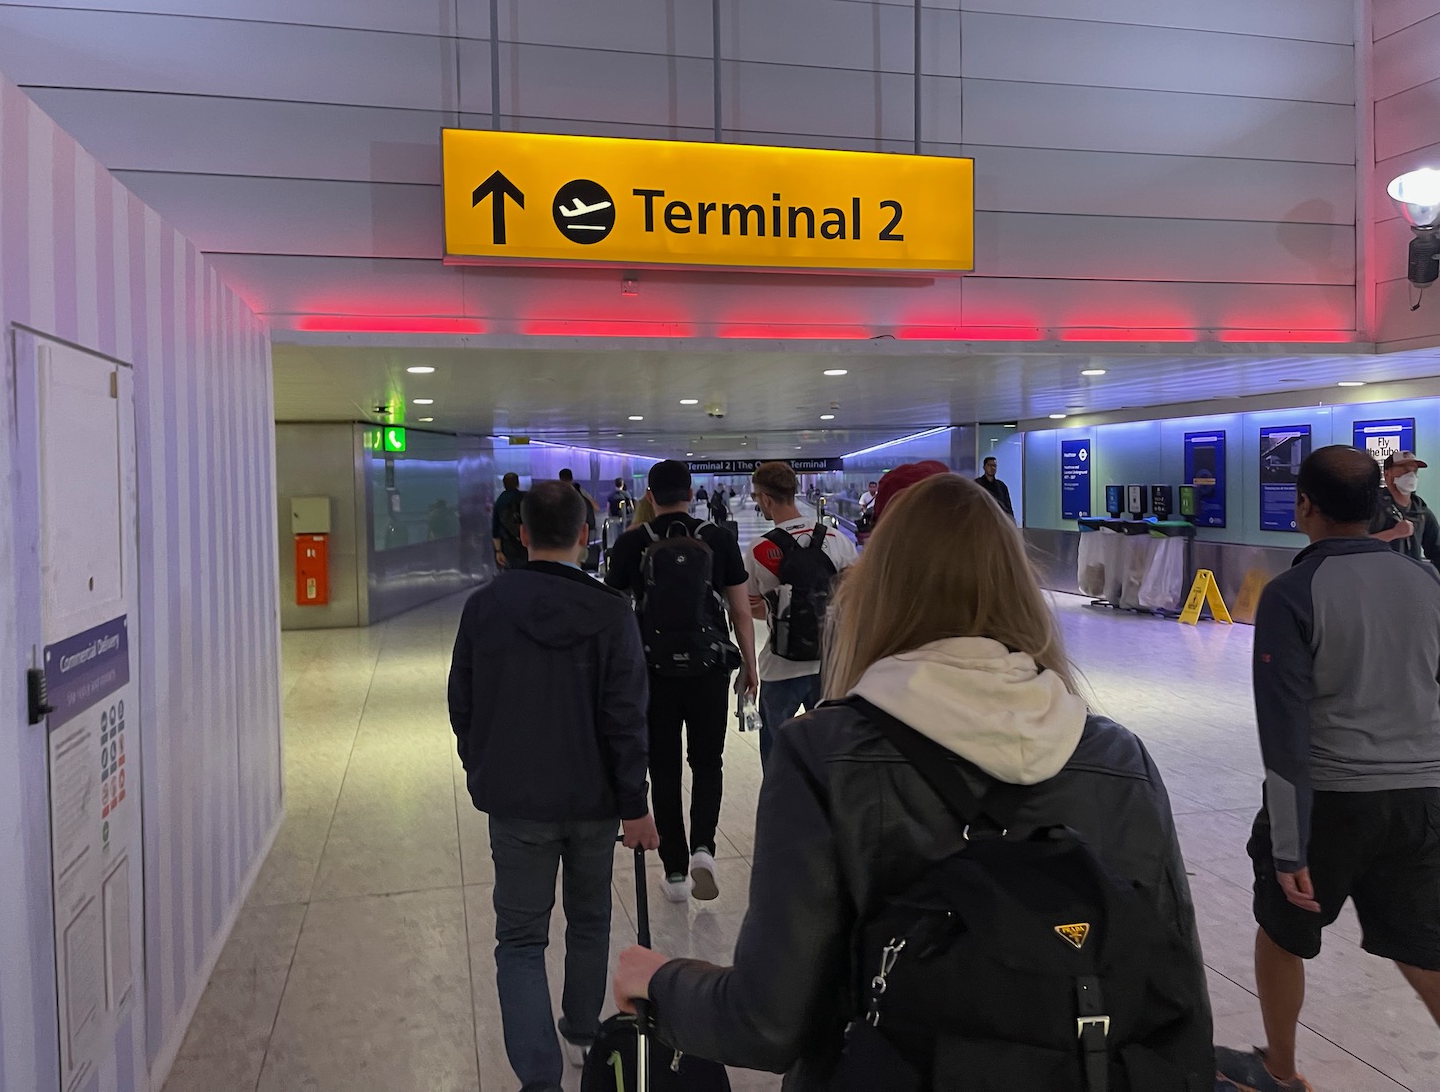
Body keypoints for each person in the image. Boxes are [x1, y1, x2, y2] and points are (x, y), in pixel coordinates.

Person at [612, 473, 1212, 1089]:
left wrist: (661, 981)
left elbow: (769, 1021)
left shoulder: (823, 755)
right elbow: (1179, 1006)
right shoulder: (1118, 760)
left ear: (879, 588)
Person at [1216, 446, 1440, 1092]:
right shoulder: (1427, 582)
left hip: (1332, 802)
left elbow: (1284, 730)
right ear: (1377, 503)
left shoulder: (1293, 592)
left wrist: (1289, 847)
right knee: (1423, 946)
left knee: (1283, 932)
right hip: (1420, 799)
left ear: (1305, 505)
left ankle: (1280, 1071)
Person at [449, 481, 659, 1092]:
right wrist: (635, 806)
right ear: (586, 535)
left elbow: (461, 703)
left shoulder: (484, 608)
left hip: (515, 803)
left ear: (521, 534)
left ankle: (539, 1080)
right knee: (590, 920)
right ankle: (582, 1035)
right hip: (594, 803)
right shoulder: (613, 612)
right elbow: (626, 716)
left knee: (518, 939)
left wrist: (483, 764)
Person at [606, 460, 758, 903]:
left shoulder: (632, 542)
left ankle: (674, 873)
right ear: (692, 494)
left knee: (665, 768)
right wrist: (749, 664)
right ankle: (704, 851)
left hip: (652, 674)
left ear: (650, 497)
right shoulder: (718, 539)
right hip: (709, 670)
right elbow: (741, 611)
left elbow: (616, 617)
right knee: (708, 762)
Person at [745, 460, 858, 763]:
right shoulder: (838, 540)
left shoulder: (759, 549)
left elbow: (752, 607)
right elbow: (855, 599)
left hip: (780, 665)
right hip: (829, 662)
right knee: (831, 750)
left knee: (776, 752)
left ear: (766, 499)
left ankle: (780, 808)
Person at [1370, 449, 1440, 571]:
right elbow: (1355, 544)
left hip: (1410, 581)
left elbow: (1436, 551)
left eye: (1414, 471)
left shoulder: (1420, 511)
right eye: (1405, 470)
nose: (1411, 475)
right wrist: (1394, 533)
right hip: (1376, 580)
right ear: (1387, 474)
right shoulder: (1371, 507)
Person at [559, 468, 599, 567]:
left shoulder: (558, 494)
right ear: (572, 478)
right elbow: (595, 506)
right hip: (581, 531)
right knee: (579, 558)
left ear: (560, 479)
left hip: (564, 533)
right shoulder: (580, 491)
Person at [491, 472, 527, 570]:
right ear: (518, 483)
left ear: (503, 484)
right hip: (526, 543)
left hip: (507, 544)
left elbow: (495, 529)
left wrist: (498, 551)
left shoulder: (499, 501)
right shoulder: (525, 498)